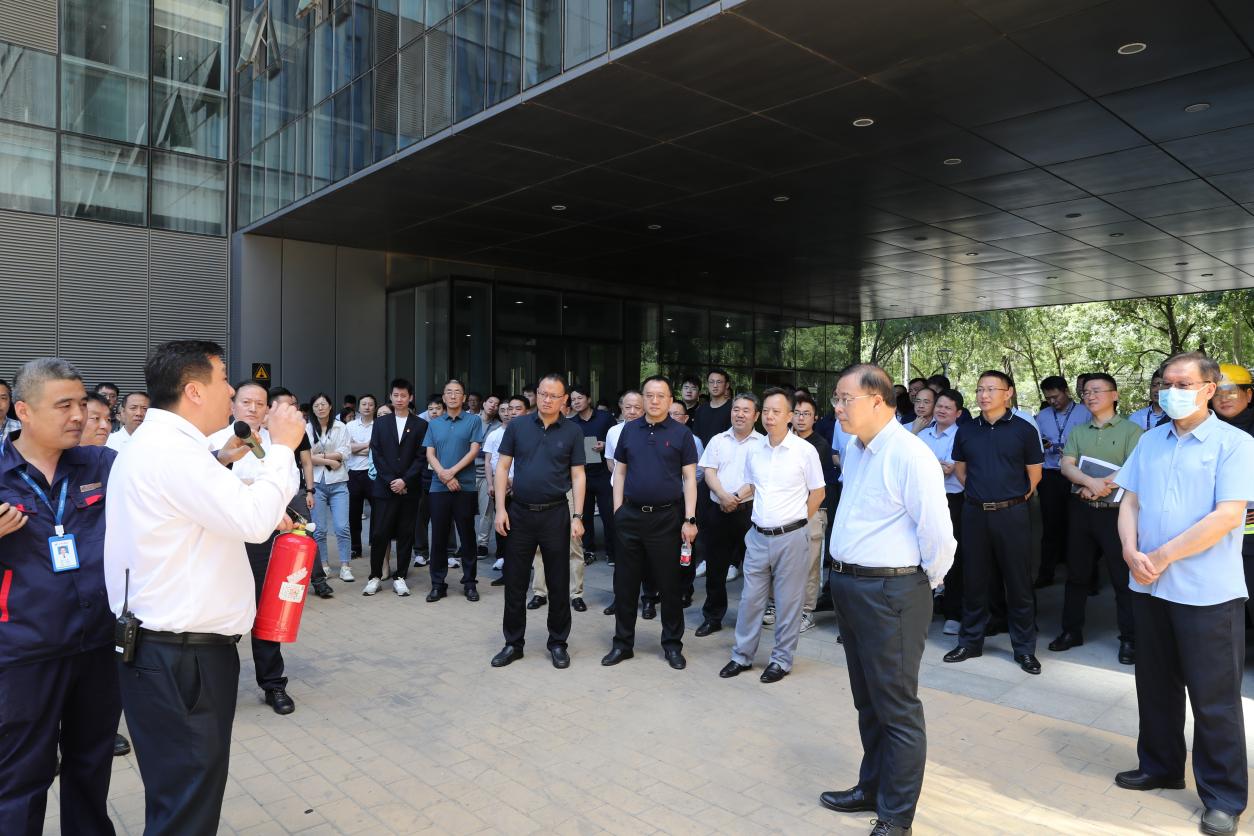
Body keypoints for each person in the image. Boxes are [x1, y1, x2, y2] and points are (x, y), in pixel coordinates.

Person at [105, 341, 304, 835]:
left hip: (165, 651)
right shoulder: (172, 452)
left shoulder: (163, 446)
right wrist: (283, 448)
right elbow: (253, 521)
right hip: (183, 659)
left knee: (178, 798)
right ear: (193, 391)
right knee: (187, 805)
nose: (232, 391)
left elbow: (189, 509)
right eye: (223, 380)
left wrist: (219, 460)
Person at [1112, 352, 1254, 836]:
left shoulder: (1234, 444)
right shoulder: (1150, 440)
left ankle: (1224, 796)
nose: (1170, 391)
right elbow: (1130, 501)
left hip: (1206, 592)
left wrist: (1162, 555)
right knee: (1155, 685)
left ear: (1209, 389)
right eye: (1165, 383)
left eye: (1182, 383)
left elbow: (1227, 516)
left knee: (1214, 699)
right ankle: (1160, 766)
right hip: (1149, 584)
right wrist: (1129, 549)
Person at [820, 365, 955, 836]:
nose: (837, 408)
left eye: (845, 399)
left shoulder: (910, 454)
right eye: (836, 398)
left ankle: (897, 816)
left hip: (890, 591)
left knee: (896, 706)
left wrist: (922, 584)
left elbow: (938, 534)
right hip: (849, 586)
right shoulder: (856, 451)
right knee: (868, 701)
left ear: (877, 401)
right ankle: (871, 787)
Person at [0, 358, 120, 835]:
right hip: (24, 651)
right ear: (24, 411)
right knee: (20, 776)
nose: (79, 416)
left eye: (81, 404)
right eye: (63, 405)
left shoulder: (101, 464)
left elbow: (171, 482)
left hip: (97, 645)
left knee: (91, 765)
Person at [718, 388, 825, 683]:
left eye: (776, 411)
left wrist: (798, 522)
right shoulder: (755, 450)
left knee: (788, 603)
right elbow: (753, 484)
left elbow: (818, 493)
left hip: (791, 536)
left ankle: (781, 660)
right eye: (765, 410)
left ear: (789, 416)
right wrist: (734, 496)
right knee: (750, 600)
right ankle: (742, 656)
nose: (769, 416)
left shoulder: (804, 451)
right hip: (757, 536)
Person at [207, 381, 301, 715]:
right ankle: (217, 688)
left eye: (260, 404)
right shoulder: (215, 441)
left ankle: (273, 683)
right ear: (233, 406)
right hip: (225, 541)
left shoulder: (279, 443)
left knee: (267, 610)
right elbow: (211, 488)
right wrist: (253, 489)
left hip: (264, 540)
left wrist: (255, 492)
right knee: (224, 612)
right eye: (246, 402)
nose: (252, 408)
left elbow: (289, 484)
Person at [944, 370, 1045, 675]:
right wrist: (981, 495)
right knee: (974, 579)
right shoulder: (967, 430)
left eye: (991, 389)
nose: (983, 395)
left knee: (1018, 582)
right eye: (979, 389)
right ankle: (970, 642)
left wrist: (1009, 499)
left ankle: (1024, 649)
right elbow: (961, 470)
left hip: (1012, 513)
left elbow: (1034, 476)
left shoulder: (1023, 429)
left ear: (1008, 392)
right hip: (975, 512)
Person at [602, 376, 698, 670]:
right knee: (625, 584)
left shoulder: (681, 434)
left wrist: (689, 519)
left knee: (669, 585)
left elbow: (689, 479)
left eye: (660, 396)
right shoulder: (628, 430)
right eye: (649, 395)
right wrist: (618, 511)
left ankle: (672, 645)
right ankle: (623, 644)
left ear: (670, 400)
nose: (654, 401)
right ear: (642, 398)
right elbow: (619, 473)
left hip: (667, 518)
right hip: (630, 517)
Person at [491, 375, 586, 668]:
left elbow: (578, 475)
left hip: (556, 513)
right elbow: (502, 466)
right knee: (515, 581)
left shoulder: (572, 431)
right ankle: (513, 643)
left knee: (558, 581)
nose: (546, 399)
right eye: (543, 393)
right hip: (519, 512)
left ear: (564, 400)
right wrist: (500, 509)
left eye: (553, 395)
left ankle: (558, 642)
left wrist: (578, 516)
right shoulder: (518, 426)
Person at [1051, 373, 1142, 664]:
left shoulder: (1132, 431)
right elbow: (1066, 465)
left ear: (1115, 395)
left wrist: (1100, 485)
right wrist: (1090, 483)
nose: (1090, 396)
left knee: (1122, 577)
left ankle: (1130, 639)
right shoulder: (1079, 431)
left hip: (1117, 515)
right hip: (1082, 511)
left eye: (1097, 391)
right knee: (1077, 574)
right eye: (1086, 392)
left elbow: (1133, 467)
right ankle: (1071, 631)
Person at [694, 393, 762, 637]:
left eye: (746, 410)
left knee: (755, 570)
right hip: (718, 511)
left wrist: (735, 498)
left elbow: (759, 478)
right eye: (736, 409)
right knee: (716, 568)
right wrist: (723, 496)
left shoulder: (763, 444)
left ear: (756, 415)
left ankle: (749, 620)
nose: (740, 414)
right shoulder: (717, 440)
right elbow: (709, 471)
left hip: (750, 514)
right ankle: (712, 617)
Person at [423, 379, 484, 601]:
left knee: (467, 535)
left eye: (457, 392)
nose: (452, 395)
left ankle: (470, 583)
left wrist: (452, 472)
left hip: (464, 486)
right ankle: (438, 584)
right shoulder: (435, 423)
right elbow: (430, 453)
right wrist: (443, 474)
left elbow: (474, 451)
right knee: (438, 536)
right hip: (438, 487)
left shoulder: (473, 420)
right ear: (443, 396)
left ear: (464, 397)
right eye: (449, 392)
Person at [269, 387, 332, 598]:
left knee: (306, 535)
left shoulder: (299, 430)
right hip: (268, 493)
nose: (294, 408)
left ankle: (318, 581)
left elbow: (306, 462)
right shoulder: (261, 431)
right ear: (273, 407)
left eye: (294, 404)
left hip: (295, 492)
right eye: (288, 404)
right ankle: (271, 583)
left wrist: (310, 491)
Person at [366, 379, 427, 597]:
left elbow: (421, 457)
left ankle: (400, 576)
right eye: (396, 395)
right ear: (390, 397)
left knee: (405, 533)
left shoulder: (420, 425)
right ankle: (375, 576)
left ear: (410, 397)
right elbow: (377, 453)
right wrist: (392, 480)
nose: (399, 399)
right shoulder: (381, 423)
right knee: (380, 532)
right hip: (385, 488)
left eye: (403, 396)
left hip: (409, 489)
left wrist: (405, 481)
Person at [1034, 375, 1091, 587]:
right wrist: (1045, 444)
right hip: (1051, 476)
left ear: (1066, 391)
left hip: (1078, 475)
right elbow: (1035, 444)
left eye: (1056, 397)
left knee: (1079, 526)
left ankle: (1085, 577)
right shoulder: (1041, 417)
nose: (1052, 401)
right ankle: (1046, 573)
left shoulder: (1085, 413)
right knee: (1051, 526)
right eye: (1048, 398)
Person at [920, 389, 966, 635]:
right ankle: (922, 610)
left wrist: (930, 465)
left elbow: (949, 469)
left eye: (948, 407)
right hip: (924, 498)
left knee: (952, 556)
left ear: (958, 413)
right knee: (922, 553)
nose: (941, 410)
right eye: (939, 406)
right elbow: (915, 467)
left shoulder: (961, 435)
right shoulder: (923, 435)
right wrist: (936, 465)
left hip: (952, 500)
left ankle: (953, 612)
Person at [1212, 363, 1254, 625]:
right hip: (1214, 533)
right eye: (1217, 393)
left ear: (1249, 394)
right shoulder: (1205, 429)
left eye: (1231, 392)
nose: (1224, 399)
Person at [791, 392, 836, 633]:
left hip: (813, 511)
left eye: (806, 414)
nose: (801, 418)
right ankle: (778, 606)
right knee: (783, 564)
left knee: (809, 565)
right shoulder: (782, 440)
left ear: (815, 418)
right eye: (797, 413)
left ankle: (807, 611)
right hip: (785, 511)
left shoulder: (819, 445)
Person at [307, 393, 353, 582]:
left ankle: (345, 566)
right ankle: (324, 565)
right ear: (312, 409)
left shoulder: (340, 426)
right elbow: (306, 456)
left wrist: (322, 456)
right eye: (316, 405)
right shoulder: (308, 428)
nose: (320, 408)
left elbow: (345, 452)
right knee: (319, 529)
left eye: (323, 404)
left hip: (338, 482)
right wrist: (331, 461)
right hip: (316, 483)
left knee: (342, 527)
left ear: (330, 406)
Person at [570, 384, 616, 564]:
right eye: (573, 399)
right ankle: (588, 550)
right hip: (583, 474)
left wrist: (604, 445)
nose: (576, 402)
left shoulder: (605, 418)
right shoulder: (571, 423)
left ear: (589, 399)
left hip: (604, 473)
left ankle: (612, 552)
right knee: (585, 514)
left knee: (608, 514)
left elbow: (615, 440)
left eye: (579, 398)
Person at [483, 396, 520, 579]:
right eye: (504, 410)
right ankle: (502, 557)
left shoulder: (523, 433)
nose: (508, 414)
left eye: (511, 410)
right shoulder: (494, 434)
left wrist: (515, 482)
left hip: (520, 486)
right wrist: (491, 484)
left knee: (518, 527)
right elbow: (488, 462)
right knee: (501, 524)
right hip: (500, 486)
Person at [344, 394, 376, 558]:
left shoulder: (379, 425)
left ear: (375, 407)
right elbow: (347, 448)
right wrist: (368, 446)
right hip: (353, 473)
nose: (367, 407)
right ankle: (355, 547)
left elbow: (379, 449)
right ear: (359, 407)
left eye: (370, 404)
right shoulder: (350, 426)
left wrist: (358, 448)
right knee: (354, 513)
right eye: (364, 404)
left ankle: (375, 544)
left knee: (377, 511)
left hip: (373, 473)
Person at [474, 394, 502, 559]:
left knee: (486, 511)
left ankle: (482, 544)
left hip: (487, 473)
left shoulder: (498, 426)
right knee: (465, 511)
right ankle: (466, 543)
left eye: (496, 404)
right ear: (483, 403)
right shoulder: (471, 421)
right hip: (468, 472)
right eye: (490, 402)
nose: (493, 405)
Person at [691, 368, 731, 446]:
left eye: (719, 382)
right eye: (711, 382)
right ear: (707, 385)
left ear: (727, 385)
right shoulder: (701, 409)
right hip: (703, 452)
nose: (715, 385)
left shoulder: (734, 408)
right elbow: (696, 437)